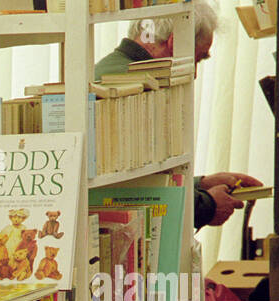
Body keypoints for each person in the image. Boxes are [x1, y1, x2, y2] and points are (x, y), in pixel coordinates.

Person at [94, 2, 262, 229]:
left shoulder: (112, 74)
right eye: (198, 58)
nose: (193, 74)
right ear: (175, 43)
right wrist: (206, 206)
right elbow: (136, 187)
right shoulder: (139, 89)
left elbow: (141, 177)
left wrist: (201, 185)